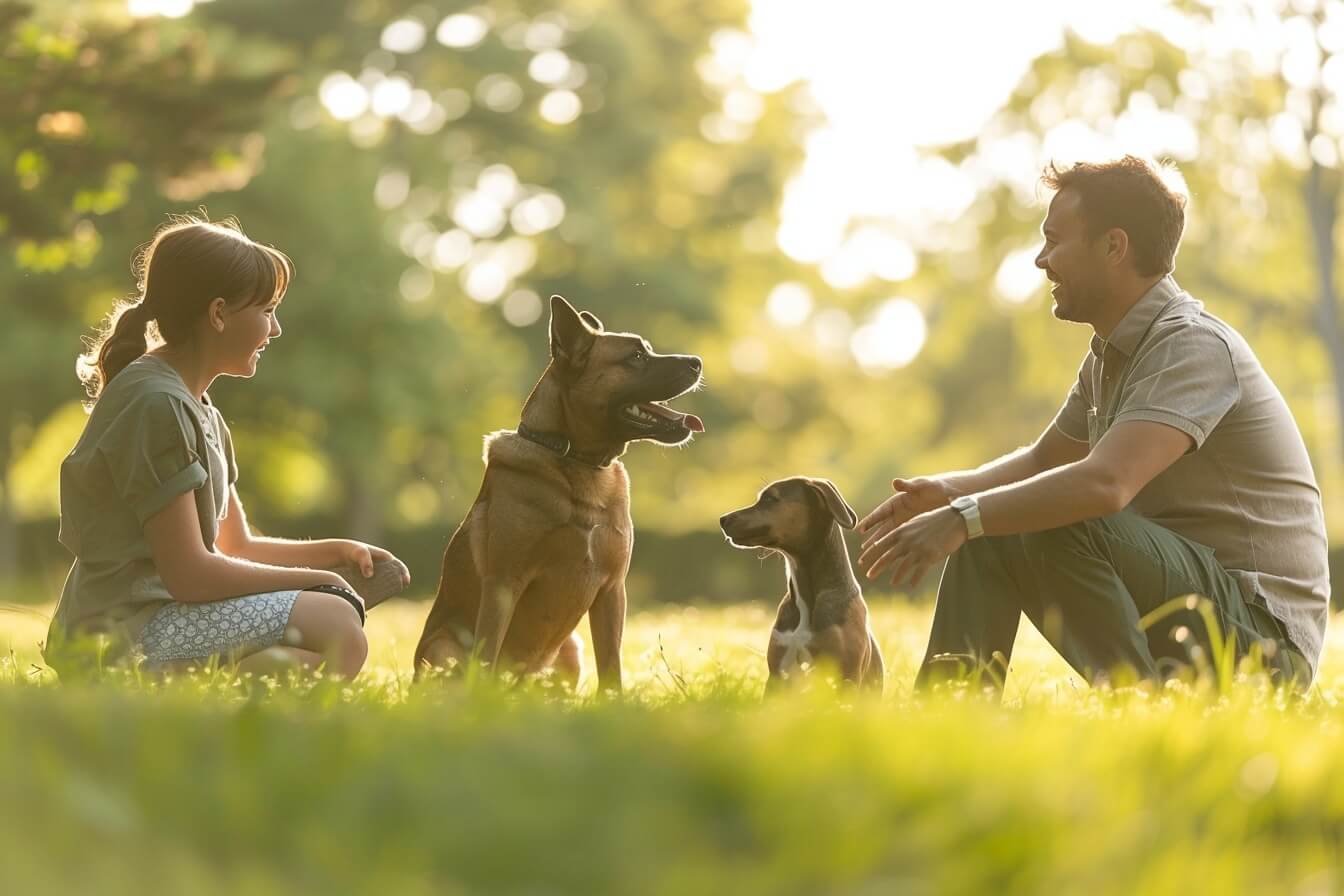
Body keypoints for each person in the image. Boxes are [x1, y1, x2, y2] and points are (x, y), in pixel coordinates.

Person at [856, 156, 1327, 690]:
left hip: (1261, 644)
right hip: (1195, 606)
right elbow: (1042, 461)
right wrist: (948, 493)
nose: (1041, 260)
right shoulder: (1113, 352)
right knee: (995, 523)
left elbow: (1105, 484)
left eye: (1054, 241)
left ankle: (1139, 711)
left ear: (1114, 247)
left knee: (1039, 514)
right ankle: (947, 720)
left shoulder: (1191, 345)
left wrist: (964, 516)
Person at [45, 216, 410, 680]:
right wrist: (321, 585)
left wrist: (338, 554)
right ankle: (142, 689)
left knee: (323, 645)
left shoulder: (199, 408)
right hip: (120, 631)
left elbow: (235, 545)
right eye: (267, 310)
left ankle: (191, 706)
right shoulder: (157, 405)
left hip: (166, 617)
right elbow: (191, 575)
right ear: (218, 314)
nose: (274, 330)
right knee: (336, 622)